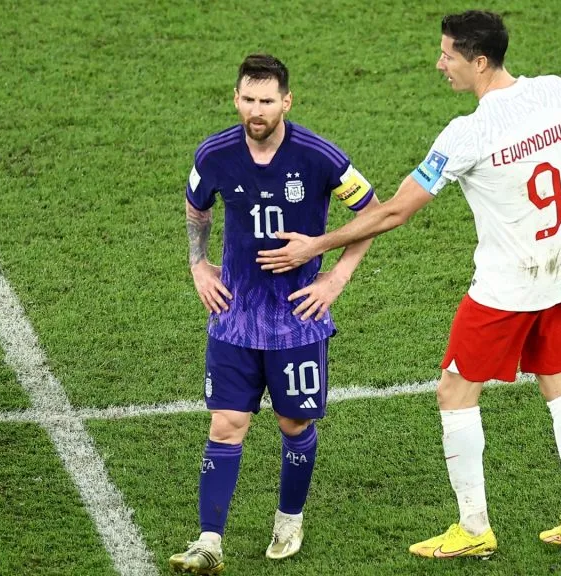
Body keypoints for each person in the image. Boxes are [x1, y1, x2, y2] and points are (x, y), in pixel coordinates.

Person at [257, 10, 561, 559]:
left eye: (447, 55)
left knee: (454, 391)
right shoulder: (557, 93)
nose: (439, 64)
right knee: (558, 380)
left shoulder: (469, 132)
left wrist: (315, 245)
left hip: (505, 288)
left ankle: (474, 528)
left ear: (478, 61)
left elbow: (395, 212)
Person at [169, 53, 379, 574]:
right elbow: (197, 207)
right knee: (226, 424)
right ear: (236, 98)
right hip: (235, 316)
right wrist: (198, 265)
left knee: (294, 421)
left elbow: (373, 213)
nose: (256, 110)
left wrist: (334, 276)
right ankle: (208, 540)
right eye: (248, 99)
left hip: (298, 318)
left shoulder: (319, 156)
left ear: (286, 101)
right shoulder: (215, 154)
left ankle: (289, 517)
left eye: (267, 100)